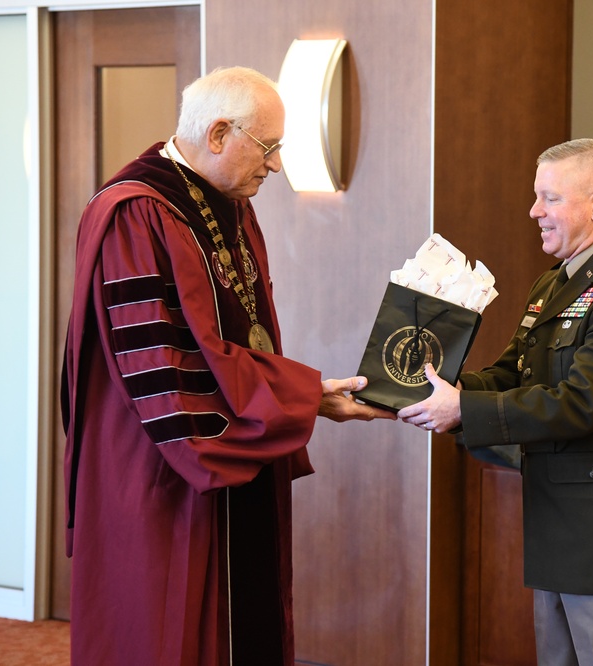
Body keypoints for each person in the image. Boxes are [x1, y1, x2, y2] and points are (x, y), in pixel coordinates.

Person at [60, 66, 394, 666]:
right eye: (269, 148)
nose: (276, 166)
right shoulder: (136, 214)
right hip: (163, 466)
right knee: (170, 629)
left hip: (227, 453)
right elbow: (168, 367)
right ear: (218, 134)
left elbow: (245, 340)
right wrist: (302, 396)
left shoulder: (228, 209)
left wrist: (298, 395)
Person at [398, 139, 593, 665]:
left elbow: (583, 402)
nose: (535, 211)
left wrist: (464, 411)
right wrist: (434, 389)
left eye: (549, 198)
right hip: (558, 530)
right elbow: (513, 373)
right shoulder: (553, 285)